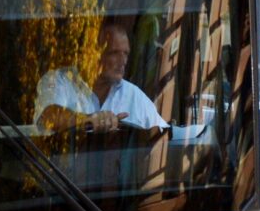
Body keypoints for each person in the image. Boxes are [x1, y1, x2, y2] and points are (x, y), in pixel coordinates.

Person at [35, 23, 169, 135]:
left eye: (126, 54)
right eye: (114, 53)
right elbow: (48, 117)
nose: (123, 61)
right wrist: (87, 120)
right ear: (93, 54)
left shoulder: (134, 96)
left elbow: (164, 134)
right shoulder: (60, 81)